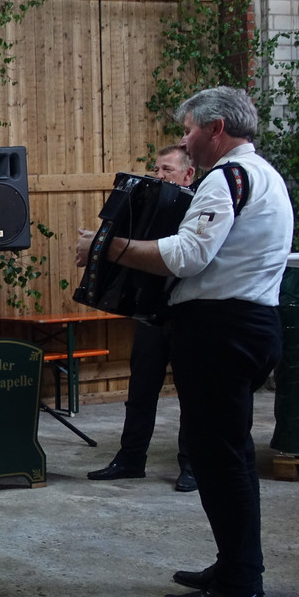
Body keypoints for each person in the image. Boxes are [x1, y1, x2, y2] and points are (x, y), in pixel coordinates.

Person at [77, 86, 293, 597]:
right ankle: (235, 566)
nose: (185, 140)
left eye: (190, 129)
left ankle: (240, 587)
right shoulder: (264, 175)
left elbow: (188, 255)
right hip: (250, 325)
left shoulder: (226, 177)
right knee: (229, 456)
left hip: (221, 331)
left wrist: (106, 247)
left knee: (221, 460)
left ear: (216, 128)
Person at [87, 145, 197, 491]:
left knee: (191, 393)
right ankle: (130, 459)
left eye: (167, 170)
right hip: (151, 311)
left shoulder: (200, 207)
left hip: (188, 313)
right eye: (157, 170)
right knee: (141, 388)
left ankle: (191, 465)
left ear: (188, 175)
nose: (160, 176)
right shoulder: (149, 203)